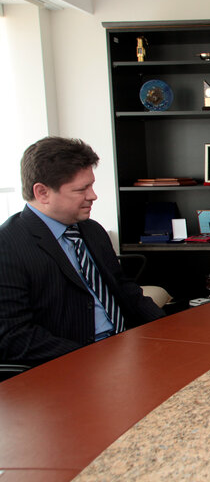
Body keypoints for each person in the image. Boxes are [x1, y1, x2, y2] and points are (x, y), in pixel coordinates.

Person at [0, 137, 165, 367]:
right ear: (42, 193)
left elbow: (125, 289)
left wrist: (169, 330)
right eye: (81, 189)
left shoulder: (91, 230)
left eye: (92, 185)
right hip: (71, 366)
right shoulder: (7, 244)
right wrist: (92, 357)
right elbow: (13, 337)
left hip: (126, 350)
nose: (93, 195)